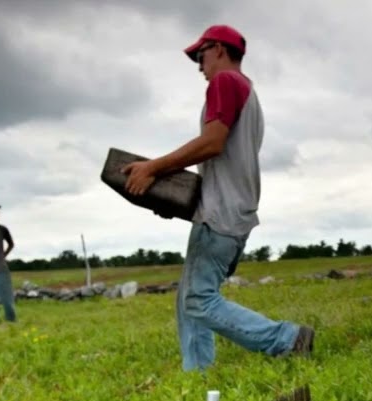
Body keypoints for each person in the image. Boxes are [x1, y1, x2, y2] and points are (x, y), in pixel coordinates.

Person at [119, 24, 313, 372]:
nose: (198, 64)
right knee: (189, 298)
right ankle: (198, 371)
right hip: (227, 209)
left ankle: (286, 339)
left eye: (201, 54)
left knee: (199, 299)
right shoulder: (247, 92)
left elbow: (212, 143)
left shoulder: (225, 82)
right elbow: (222, 161)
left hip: (221, 214)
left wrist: (153, 168)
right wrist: (173, 199)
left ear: (220, 49)